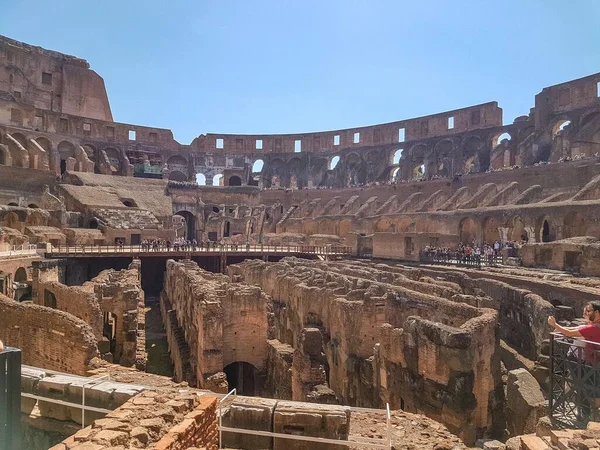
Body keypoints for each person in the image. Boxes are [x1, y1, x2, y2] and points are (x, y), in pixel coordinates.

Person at [548, 302, 600, 421]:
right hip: (592, 362)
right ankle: (593, 415)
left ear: (597, 313)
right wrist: (560, 328)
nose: (585, 313)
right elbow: (573, 329)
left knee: (584, 386)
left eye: (588, 311)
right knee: (592, 387)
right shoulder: (593, 326)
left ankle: (588, 415)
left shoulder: (593, 327)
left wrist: (554, 324)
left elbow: (570, 333)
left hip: (589, 362)